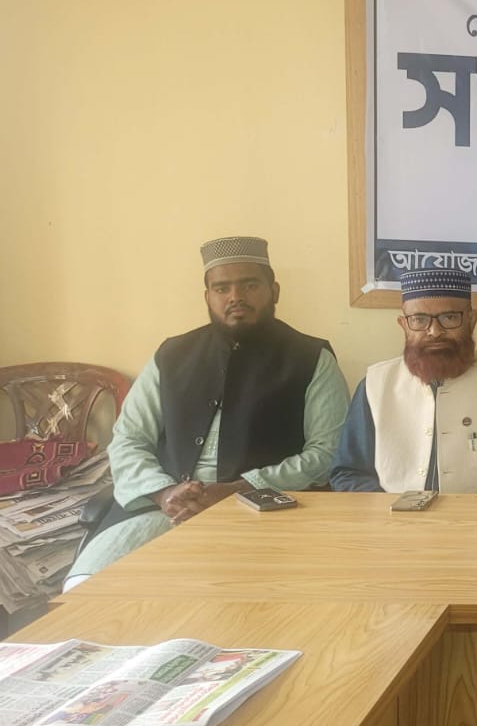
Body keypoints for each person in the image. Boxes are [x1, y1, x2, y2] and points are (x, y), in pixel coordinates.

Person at [64, 237, 347, 588]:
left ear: (274, 291)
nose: (235, 297)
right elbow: (128, 438)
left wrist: (240, 489)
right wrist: (164, 493)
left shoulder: (312, 358)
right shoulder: (171, 355)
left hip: (261, 514)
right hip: (162, 509)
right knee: (85, 589)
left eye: (250, 285)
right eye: (222, 288)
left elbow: (327, 454)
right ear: (207, 297)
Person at [331, 268, 477, 493]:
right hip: (391, 514)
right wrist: (388, 511)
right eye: (419, 319)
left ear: (472, 320)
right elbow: (349, 473)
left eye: (449, 318)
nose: (434, 331)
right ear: (403, 325)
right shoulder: (375, 384)